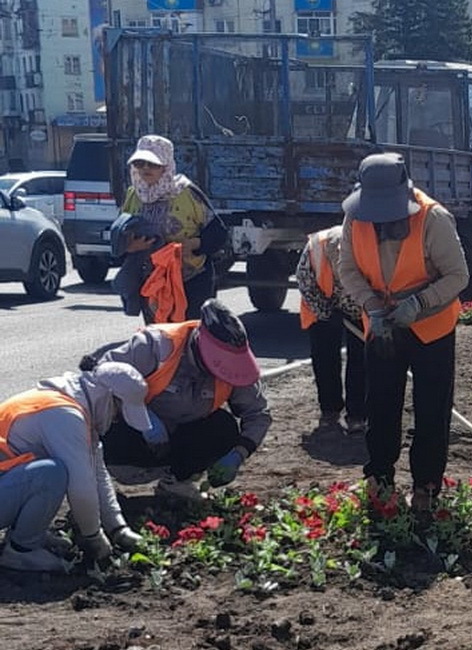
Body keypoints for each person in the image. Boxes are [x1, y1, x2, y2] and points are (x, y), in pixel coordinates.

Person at [336, 152, 469, 513]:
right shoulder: (355, 218)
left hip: (432, 328)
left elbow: (458, 276)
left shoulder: (433, 219)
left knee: (431, 408)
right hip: (381, 326)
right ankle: (379, 478)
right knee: (380, 404)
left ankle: (426, 486)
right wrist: (372, 306)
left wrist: (419, 304)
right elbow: (347, 268)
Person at [94, 300, 272, 497]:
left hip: (185, 433)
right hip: (136, 434)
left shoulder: (238, 365)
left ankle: (177, 482)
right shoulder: (156, 345)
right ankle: (99, 486)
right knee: (106, 429)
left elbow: (258, 413)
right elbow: (100, 377)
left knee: (223, 427)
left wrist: (239, 453)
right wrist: (144, 419)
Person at [0, 363, 157, 572]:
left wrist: (118, 528)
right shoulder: (64, 415)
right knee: (51, 474)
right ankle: (21, 551)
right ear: (108, 397)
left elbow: (97, 471)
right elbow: (81, 487)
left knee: (48, 474)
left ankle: (26, 533)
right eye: (118, 412)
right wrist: (93, 536)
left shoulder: (74, 402)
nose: (115, 419)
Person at [117, 135, 228, 323]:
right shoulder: (133, 195)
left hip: (190, 281)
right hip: (152, 284)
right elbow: (119, 232)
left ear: (166, 165)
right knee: (159, 341)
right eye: (139, 163)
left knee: (189, 338)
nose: (145, 168)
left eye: (152, 164)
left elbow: (218, 234)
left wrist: (193, 244)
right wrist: (129, 246)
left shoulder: (187, 193)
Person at [296, 226, 367, 434]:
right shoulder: (316, 248)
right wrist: (326, 313)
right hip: (321, 303)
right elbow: (304, 282)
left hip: (360, 308)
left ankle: (357, 414)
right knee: (324, 356)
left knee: (361, 359)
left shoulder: (368, 250)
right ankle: (329, 409)